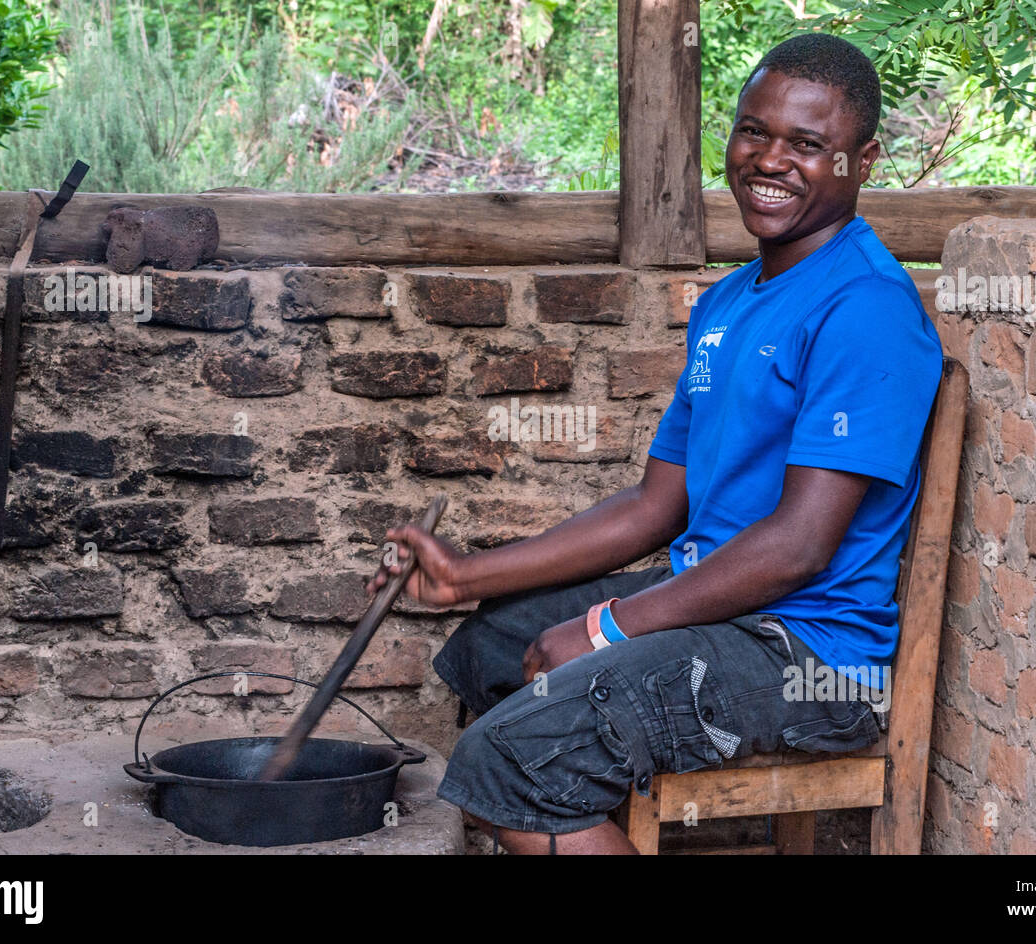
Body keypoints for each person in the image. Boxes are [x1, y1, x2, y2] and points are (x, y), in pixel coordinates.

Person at [366, 33, 943, 854]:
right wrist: (463, 575)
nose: (770, 160)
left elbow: (799, 548)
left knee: (506, 762)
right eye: (754, 132)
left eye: (808, 146)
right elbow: (653, 508)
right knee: (492, 647)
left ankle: (538, 794)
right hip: (723, 602)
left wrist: (607, 629)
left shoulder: (865, 307)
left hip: (807, 653)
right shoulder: (730, 302)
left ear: (863, 160)